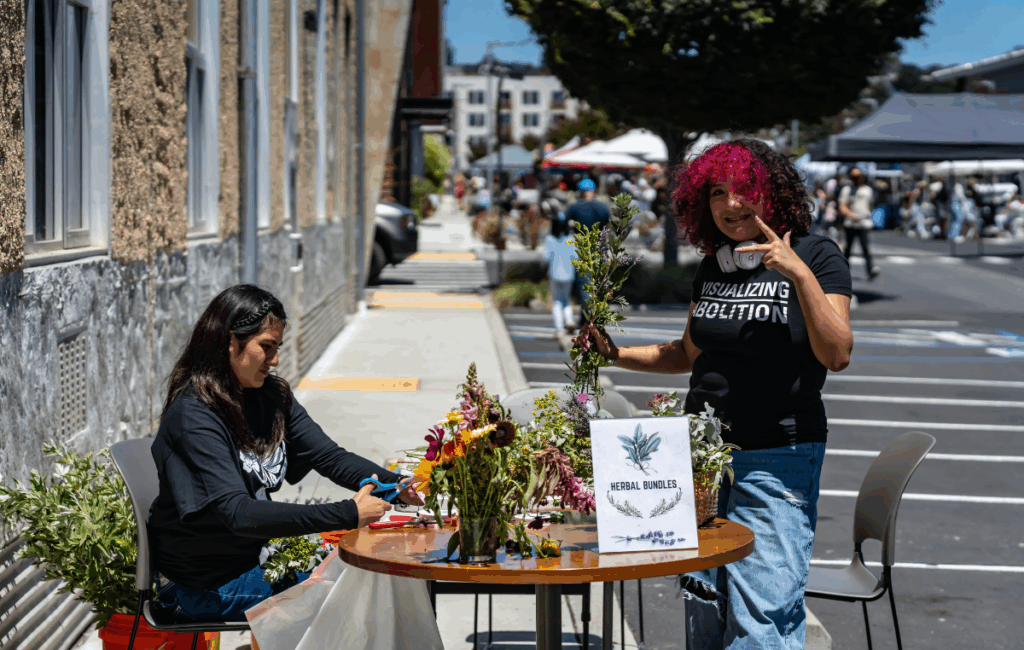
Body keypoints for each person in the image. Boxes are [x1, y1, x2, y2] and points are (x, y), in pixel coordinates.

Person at [576, 139, 853, 650]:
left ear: (775, 194)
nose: (730, 205)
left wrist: (795, 271)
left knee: (762, 616)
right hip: (699, 460)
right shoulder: (714, 266)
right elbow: (687, 354)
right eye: (717, 192)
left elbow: (837, 352)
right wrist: (613, 354)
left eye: (744, 190)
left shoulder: (817, 255)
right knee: (706, 606)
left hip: (777, 456)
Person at [149, 284, 423, 622]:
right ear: (229, 342)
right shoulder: (194, 416)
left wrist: (399, 486)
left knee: (386, 567)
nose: (275, 360)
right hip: (201, 587)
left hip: (254, 560)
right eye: (266, 347)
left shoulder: (269, 396)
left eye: (277, 347)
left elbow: (329, 457)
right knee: (358, 586)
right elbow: (237, 512)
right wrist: (347, 513)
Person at [838, 167, 880, 280]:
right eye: (853, 177)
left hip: (863, 223)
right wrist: (850, 214)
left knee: (866, 247)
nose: (856, 179)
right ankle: (844, 271)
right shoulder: (847, 190)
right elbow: (842, 206)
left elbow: (871, 205)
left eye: (858, 177)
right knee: (848, 249)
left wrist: (867, 214)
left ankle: (870, 269)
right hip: (850, 223)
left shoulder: (867, 190)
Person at [544, 212, 578, 336]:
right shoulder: (571, 239)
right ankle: (569, 320)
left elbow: (546, 256)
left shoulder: (550, 239)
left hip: (554, 274)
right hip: (569, 274)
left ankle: (559, 328)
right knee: (566, 300)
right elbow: (576, 257)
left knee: (557, 301)